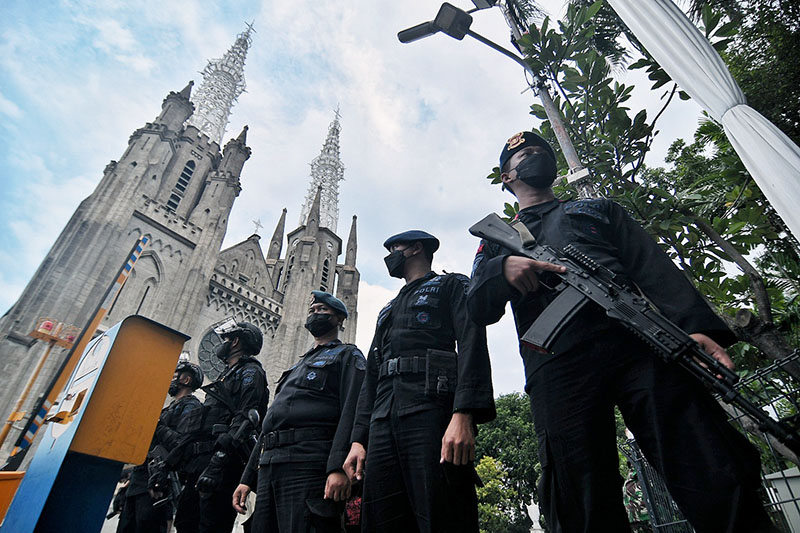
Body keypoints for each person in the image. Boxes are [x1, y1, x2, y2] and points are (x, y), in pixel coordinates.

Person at [467, 131, 775, 532]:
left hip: (641, 345)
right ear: (507, 177)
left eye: (542, 152)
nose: (536, 158)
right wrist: (501, 271)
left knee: (709, 465)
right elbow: (476, 305)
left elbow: (655, 270)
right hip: (557, 364)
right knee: (580, 493)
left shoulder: (597, 210)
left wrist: (695, 330)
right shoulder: (497, 240)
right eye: (525, 156)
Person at [344, 230, 496, 533]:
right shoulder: (388, 308)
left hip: (430, 409)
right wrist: (359, 439)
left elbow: (470, 341)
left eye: (395, 247)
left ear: (415, 249)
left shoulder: (450, 285)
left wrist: (463, 413)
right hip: (384, 419)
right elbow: (372, 376)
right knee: (381, 518)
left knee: (441, 511)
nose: (390, 254)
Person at [232, 291, 366, 532]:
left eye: (323, 311)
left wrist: (337, 467)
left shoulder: (347, 355)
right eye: (312, 310)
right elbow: (270, 424)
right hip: (270, 467)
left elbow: (353, 410)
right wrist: (247, 479)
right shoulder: (295, 367)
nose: (315, 314)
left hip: (307, 464)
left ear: (338, 320)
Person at [178, 320, 269, 533]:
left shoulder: (250, 372)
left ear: (235, 341)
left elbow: (247, 419)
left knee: (211, 524)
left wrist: (216, 465)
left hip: (222, 466)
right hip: (201, 463)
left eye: (227, 339)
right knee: (185, 522)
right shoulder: (226, 374)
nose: (223, 343)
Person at [117, 361, 204, 533]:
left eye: (175, 376)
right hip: (139, 478)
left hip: (158, 481)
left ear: (186, 380)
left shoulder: (191, 406)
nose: (170, 380)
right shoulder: (169, 408)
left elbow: (180, 444)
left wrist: (157, 425)